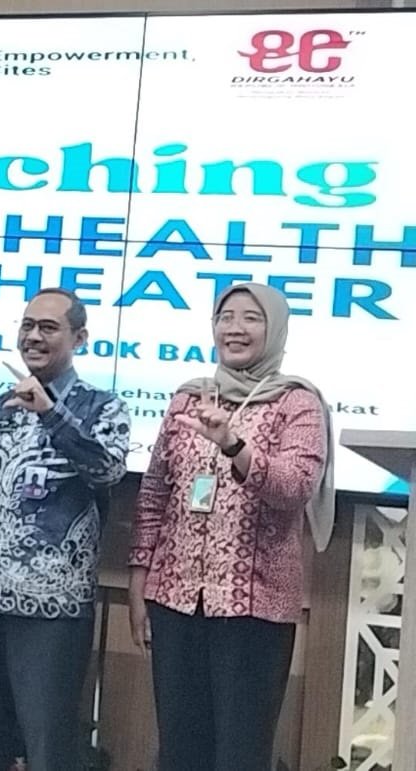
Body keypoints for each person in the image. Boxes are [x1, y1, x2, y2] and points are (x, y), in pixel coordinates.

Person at [128, 283, 334, 771]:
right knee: (179, 751)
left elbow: (295, 487)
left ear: (275, 329)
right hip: (175, 600)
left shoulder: (297, 402)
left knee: (240, 753)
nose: (235, 329)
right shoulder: (187, 397)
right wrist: (139, 580)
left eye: (251, 318)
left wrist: (234, 445)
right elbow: (155, 492)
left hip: (253, 609)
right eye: (226, 317)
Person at [0, 288, 130, 771]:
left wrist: (50, 412)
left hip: (53, 610)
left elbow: (108, 470)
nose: (34, 337)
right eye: (28, 326)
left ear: (79, 338)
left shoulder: (101, 407)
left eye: (49, 327)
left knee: (48, 749)